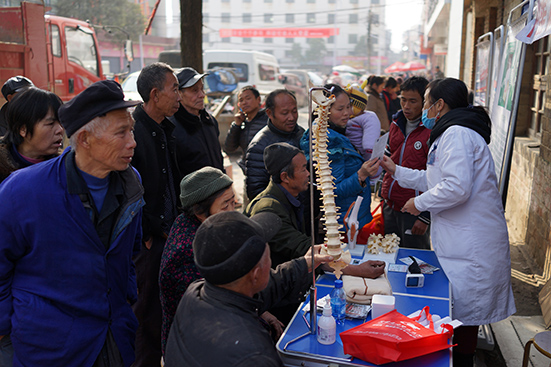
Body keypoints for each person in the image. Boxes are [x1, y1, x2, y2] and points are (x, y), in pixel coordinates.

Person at [0, 80, 142, 366]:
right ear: (86, 139)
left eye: (132, 130)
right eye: (121, 133)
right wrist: (6, 330)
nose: (132, 142)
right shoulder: (22, 190)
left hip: (114, 338)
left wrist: (127, 297)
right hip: (48, 347)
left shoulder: (131, 183)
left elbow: (130, 254)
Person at [380, 78, 516, 367]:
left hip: (473, 244)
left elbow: (456, 187)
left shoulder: (457, 134)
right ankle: (459, 356)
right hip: (460, 242)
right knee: (460, 310)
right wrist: (397, 170)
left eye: (427, 102)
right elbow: (435, 179)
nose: (425, 109)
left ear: (439, 105)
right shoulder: (451, 132)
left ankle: (463, 360)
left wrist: (418, 204)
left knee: (467, 315)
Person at [164, 211, 333, 366]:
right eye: (269, 257)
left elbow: (265, 287)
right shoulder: (254, 355)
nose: (272, 265)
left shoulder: (197, 291)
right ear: (256, 274)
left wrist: (305, 264)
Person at [131, 62, 182, 366]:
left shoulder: (164, 129)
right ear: (154, 94)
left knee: (162, 310)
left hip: (167, 233)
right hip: (147, 241)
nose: (179, 95)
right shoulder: (134, 132)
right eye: (174, 88)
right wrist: (148, 232)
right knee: (145, 314)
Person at [159, 167, 236, 354]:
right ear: (200, 212)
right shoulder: (188, 253)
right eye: (225, 206)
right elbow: (216, 304)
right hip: (193, 348)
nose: (232, 211)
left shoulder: (204, 226)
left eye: (234, 202)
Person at [301, 84, 379, 231]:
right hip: (341, 224)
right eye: (340, 109)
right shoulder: (327, 141)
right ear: (324, 110)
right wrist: (361, 175)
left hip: (352, 218)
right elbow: (333, 191)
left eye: (348, 107)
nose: (347, 113)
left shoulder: (341, 132)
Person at [381, 76, 431, 249]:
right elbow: (388, 158)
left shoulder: (431, 132)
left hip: (415, 210)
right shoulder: (396, 123)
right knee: (389, 253)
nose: (406, 106)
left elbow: (438, 180)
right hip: (391, 205)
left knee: (415, 258)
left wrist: (425, 217)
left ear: (425, 102)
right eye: (403, 100)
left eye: (413, 101)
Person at [245, 89, 304, 201]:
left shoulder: (301, 134)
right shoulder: (259, 146)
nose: (291, 117)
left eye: (294, 111)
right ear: (269, 113)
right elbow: (256, 192)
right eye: (284, 113)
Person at [170, 67, 224, 181]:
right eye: (194, 90)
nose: (202, 95)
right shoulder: (171, 128)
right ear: (179, 93)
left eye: (202, 89)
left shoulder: (210, 121)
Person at [0, 87, 63, 183]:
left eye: (61, 122)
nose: (60, 130)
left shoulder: (63, 169)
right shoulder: (3, 168)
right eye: (50, 124)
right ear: (22, 129)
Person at [224, 86, 268, 172]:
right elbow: (229, 148)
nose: (244, 103)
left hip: (266, 172)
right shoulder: (242, 123)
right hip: (248, 172)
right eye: (241, 100)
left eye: (248, 98)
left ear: (258, 100)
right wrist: (236, 125)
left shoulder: (268, 121)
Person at [345, 84, 381, 162]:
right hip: (352, 153)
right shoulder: (350, 118)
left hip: (365, 157)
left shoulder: (369, 117)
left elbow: (371, 133)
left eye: (348, 107)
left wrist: (369, 147)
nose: (345, 111)